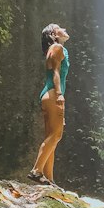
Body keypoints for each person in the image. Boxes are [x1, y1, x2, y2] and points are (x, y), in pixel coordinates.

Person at [28, 22, 69, 185]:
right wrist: (59, 93)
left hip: (48, 94)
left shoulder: (56, 49)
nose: (64, 29)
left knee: (51, 136)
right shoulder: (57, 48)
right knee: (56, 135)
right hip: (53, 93)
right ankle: (36, 171)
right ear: (53, 34)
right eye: (60, 28)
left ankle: (49, 178)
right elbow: (56, 72)